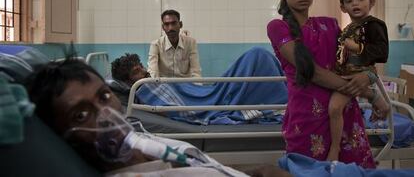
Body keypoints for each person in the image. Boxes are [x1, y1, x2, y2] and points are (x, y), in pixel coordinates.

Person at [25, 58, 290, 176]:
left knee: (255, 60)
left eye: (105, 96)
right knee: (256, 59)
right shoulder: (147, 89)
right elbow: (182, 107)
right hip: (202, 104)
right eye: (81, 114)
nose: (106, 117)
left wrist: (258, 172)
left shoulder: (142, 141)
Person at [267, 0, 386, 168]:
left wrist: (369, 76)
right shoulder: (278, 27)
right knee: (307, 171)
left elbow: (356, 60)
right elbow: (312, 72)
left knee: (352, 172)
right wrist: (371, 94)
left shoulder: (330, 25)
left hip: (343, 112)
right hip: (306, 117)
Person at [112, 47, 287, 125]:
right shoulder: (144, 88)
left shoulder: (148, 83)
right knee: (257, 56)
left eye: (140, 66)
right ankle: (286, 100)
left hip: (210, 92)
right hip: (209, 101)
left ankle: (287, 96)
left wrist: (203, 90)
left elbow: (193, 77)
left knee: (258, 57)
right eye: (136, 71)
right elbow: (174, 109)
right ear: (128, 81)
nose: (143, 71)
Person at [327, 0, 390, 161]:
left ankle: (334, 150)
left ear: (372, 2)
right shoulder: (347, 29)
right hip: (347, 73)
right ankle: (376, 98)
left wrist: (356, 47)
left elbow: (382, 52)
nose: (355, 3)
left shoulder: (374, 25)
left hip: (365, 72)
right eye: (349, 0)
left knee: (334, 108)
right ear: (343, 7)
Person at [148, 9, 201, 78]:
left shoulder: (190, 43)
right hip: (165, 86)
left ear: (180, 24)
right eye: (167, 24)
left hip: (185, 85)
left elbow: (196, 71)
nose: (171, 28)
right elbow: (153, 72)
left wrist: (197, 87)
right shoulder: (156, 45)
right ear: (163, 27)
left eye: (174, 23)